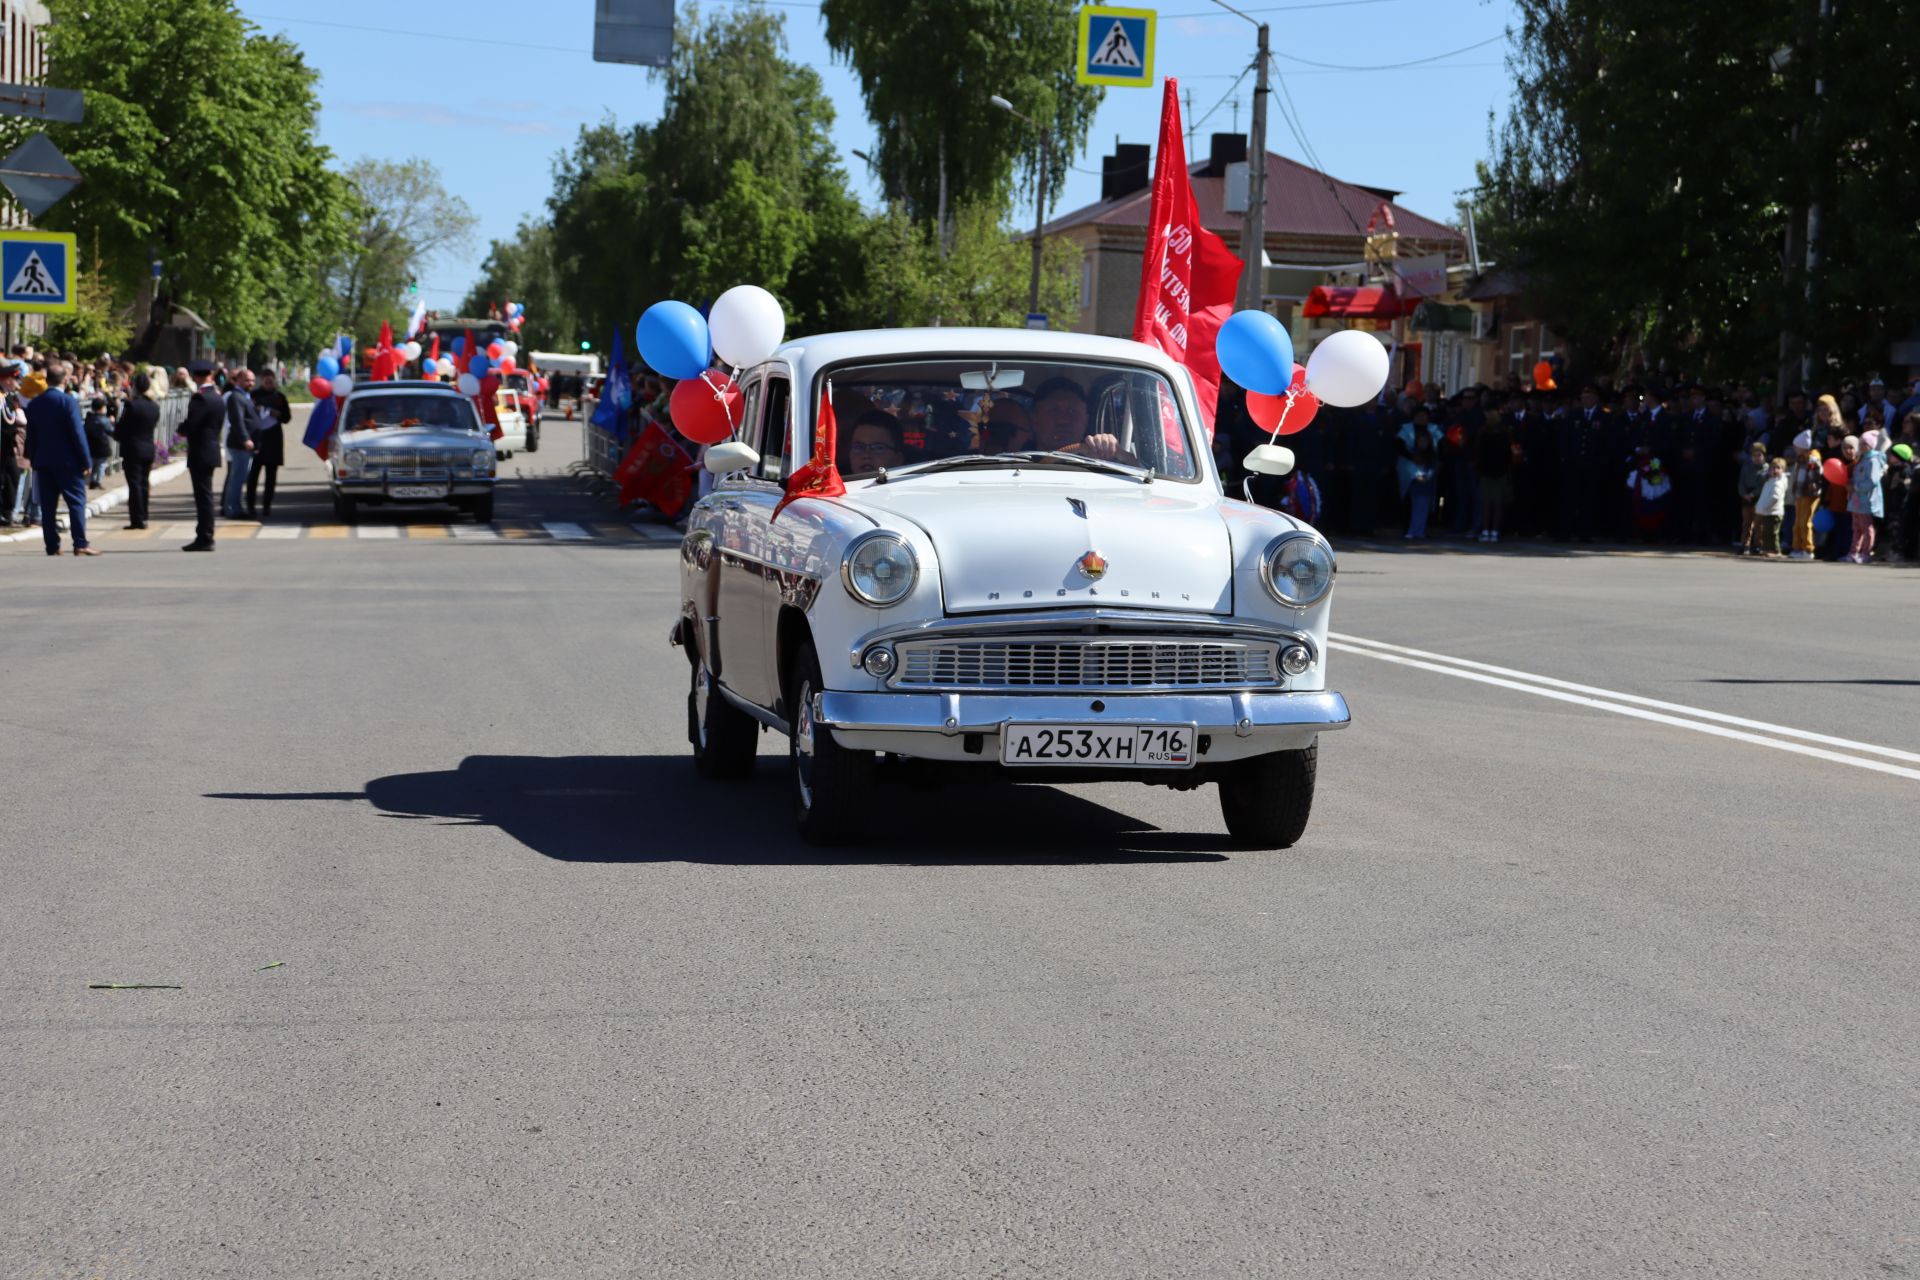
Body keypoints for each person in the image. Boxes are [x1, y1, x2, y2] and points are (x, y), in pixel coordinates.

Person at [22, 361, 97, 556]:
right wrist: (86, 460)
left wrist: (31, 456)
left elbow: (31, 433)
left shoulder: (36, 403)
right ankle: (80, 543)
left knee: (48, 506)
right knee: (76, 502)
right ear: (64, 379)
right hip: (68, 462)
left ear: (47, 380)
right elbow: (76, 432)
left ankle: (52, 545)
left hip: (43, 461)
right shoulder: (68, 402)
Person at [1029, 377, 1134, 462]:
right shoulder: (1015, 460)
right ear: (1034, 418)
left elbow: (1144, 473)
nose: (1063, 420)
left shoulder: (1099, 461)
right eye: (1053, 410)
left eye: (1072, 411)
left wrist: (1113, 450)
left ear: (1085, 421)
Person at [179, 361, 225, 551]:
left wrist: (181, 428)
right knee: (205, 495)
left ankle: (205, 536)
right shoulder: (217, 397)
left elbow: (192, 424)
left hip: (200, 452)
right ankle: (205, 534)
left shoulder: (201, 398)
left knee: (203, 496)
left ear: (197, 376)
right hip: (211, 449)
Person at [114, 372, 161, 529]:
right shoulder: (154, 406)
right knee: (144, 484)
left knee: (134, 485)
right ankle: (144, 516)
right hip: (148, 447)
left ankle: (137, 519)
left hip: (133, 449)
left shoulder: (132, 405)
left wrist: (115, 431)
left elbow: (122, 428)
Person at [247, 368, 290, 518]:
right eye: (266, 381)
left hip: (274, 439)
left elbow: (287, 418)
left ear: (274, 381)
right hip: (258, 438)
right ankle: (250, 506)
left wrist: (275, 413)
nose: (269, 383)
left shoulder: (279, 397)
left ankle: (267, 506)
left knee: (271, 476)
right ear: (262, 381)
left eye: (271, 381)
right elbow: (248, 414)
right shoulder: (254, 395)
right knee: (253, 476)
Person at [1472, 400, 1512, 543]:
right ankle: (1493, 531)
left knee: (1489, 502)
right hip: (1498, 470)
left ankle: (1487, 530)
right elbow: (1508, 453)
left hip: (1488, 470)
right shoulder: (1504, 431)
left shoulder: (1484, 431)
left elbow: (1478, 452)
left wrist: (1479, 467)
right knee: (1496, 503)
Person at [221, 367, 259, 517]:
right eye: (247, 380)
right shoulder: (236, 397)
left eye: (252, 380)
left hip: (245, 445)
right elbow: (237, 420)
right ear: (238, 381)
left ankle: (235, 507)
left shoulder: (246, 396)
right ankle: (233, 509)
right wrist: (245, 439)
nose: (250, 383)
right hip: (240, 444)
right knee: (237, 478)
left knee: (241, 477)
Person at [1846, 431, 1887, 563]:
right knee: (1856, 527)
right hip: (1857, 500)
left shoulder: (1873, 461)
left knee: (1866, 527)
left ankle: (1866, 552)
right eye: (1861, 443)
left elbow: (1872, 481)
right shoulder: (1861, 460)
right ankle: (1854, 552)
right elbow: (1857, 477)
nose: (1862, 446)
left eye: (1865, 444)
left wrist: (1856, 487)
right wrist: (1851, 484)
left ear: (1871, 445)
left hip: (1866, 500)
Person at [1399, 426, 1439, 539]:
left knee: (1423, 510)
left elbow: (1433, 469)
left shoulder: (1432, 455)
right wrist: (1417, 476)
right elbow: (1410, 467)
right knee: (1414, 509)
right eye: (1420, 441)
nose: (1423, 443)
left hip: (1427, 486)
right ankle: (1413, 530)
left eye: (1425, 441)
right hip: (1415, 485)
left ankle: (1420, 531)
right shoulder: (1413, 453)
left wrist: (1427, 477)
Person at [0, 362, 25, 526]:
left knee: (12, 476)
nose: (18, 382)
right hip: (2, 443)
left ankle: (7, 512)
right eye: (15, 379)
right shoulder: (2, 397)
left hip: (7, 445)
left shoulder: (9, 396)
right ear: (7, 379)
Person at [1789, 447, 1823, 560]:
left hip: (1809, 495)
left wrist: (1812, 484)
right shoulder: (1800, 459)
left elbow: (1817, 475)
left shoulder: (1813, 458)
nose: (1796, 450)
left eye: (1797, 447)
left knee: (1805, 522)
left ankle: (1808, 549)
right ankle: (1798, 547)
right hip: (1800, 494)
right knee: (1798, 522)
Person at [1736, 441, 1768, 554]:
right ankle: (1744, 544)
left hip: (1759, 498)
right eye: (1754, 455)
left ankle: (1758, 545)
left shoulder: (1766, 469)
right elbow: (1741, 482)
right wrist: (1744, 494)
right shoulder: (1746, 468)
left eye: (1759, 455)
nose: (1757, 458)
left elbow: (1762, 485)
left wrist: (1753, 494)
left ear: (1764, 455)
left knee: (1759, 524)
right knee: (1746, 523)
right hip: (1746, 498)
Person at [1753, 456, 1788, 559]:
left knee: (1773, 533)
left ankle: (1776, 550)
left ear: (1783, 470)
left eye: (1778, 468)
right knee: (1766, 532)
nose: (1775, 470)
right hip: (1768, 512)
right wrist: (1760, 505)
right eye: (1773, 467)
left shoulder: (1778, 482)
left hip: (1775, 512)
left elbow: (1775, 497)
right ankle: (1768, 549)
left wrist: (1765, 506)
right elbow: (1764, 495)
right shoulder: (1770, 481)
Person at [84, 397, 114, 488]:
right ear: (102, 408)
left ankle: (92, 480)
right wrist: (112, 422)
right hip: (102, 446)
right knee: (101, 465)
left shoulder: (88, 419)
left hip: (91, 446)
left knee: (93, 464)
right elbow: (111, 431)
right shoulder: (105, 420)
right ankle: (98, 481)